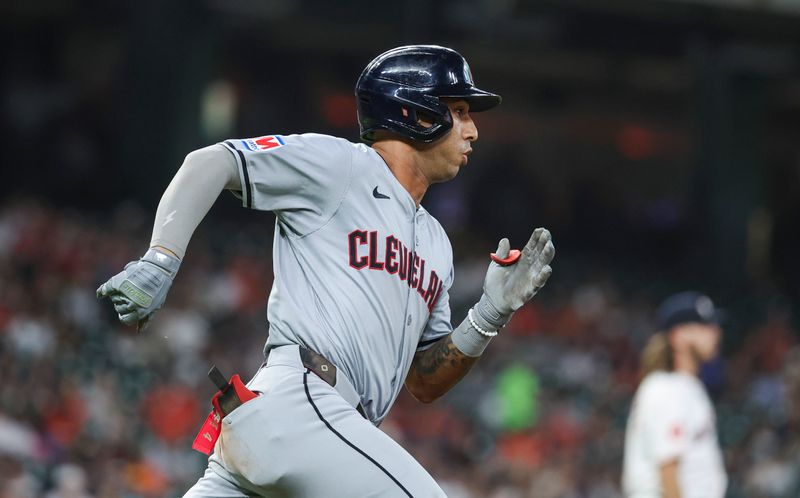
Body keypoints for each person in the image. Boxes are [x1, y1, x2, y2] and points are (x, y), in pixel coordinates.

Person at [97, 45, 555, 497]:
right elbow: (212, 161)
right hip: (302, 402)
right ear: (416, 112)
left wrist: (489, 314)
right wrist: (159, 259)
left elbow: (424, 381)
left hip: (312, 432)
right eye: (460, 111)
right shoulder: (342, 165)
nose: (473, 130)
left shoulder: (436, 242)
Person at [622, 291, 728, 498]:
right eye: (704, 326)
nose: (715, 332)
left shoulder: (687, 387)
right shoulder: (665, 388)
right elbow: (668, 469)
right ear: (678, 336)